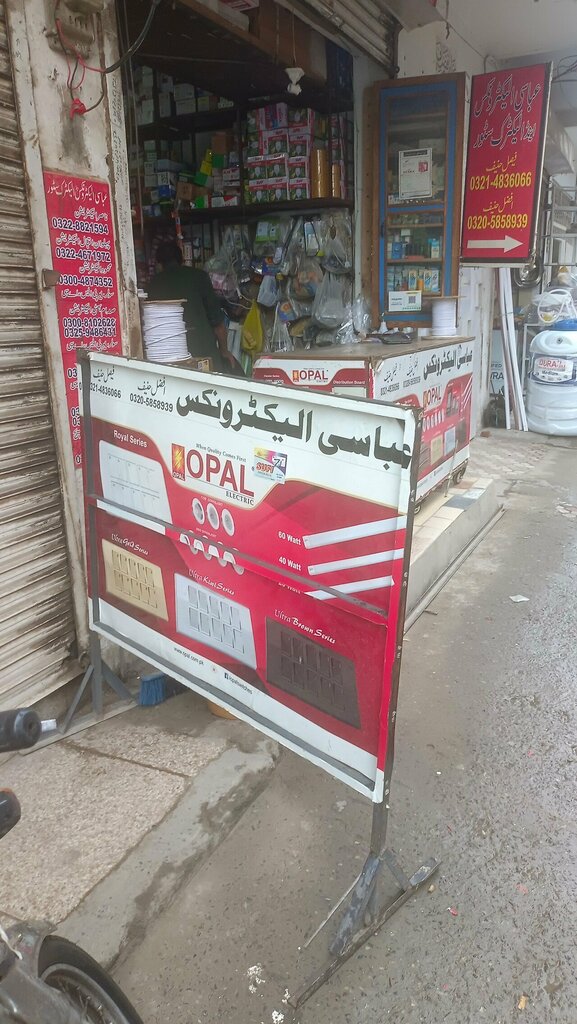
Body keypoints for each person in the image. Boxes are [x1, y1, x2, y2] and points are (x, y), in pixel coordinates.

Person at [147, 240, 236, 372]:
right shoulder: (199, 277)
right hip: (204, 355)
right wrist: (224, 351)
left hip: (167, 360)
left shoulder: (153, 284)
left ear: (159, 264)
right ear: (182, 259)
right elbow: (218, 324)